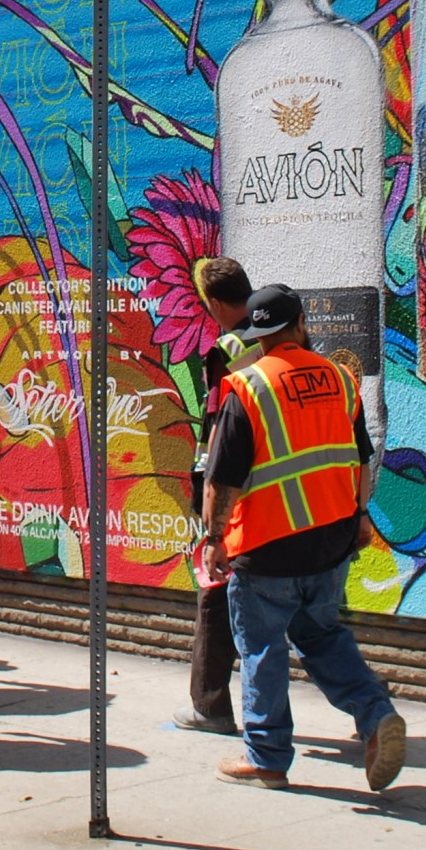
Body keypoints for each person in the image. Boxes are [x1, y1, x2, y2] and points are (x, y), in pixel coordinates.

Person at [200, 284, 408, 792]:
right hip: (331, 540)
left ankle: (267, 758)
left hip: (268, 547)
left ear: (257, 335)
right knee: (320, 635)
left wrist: (214, 537)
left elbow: (222, 478)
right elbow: (361, 456)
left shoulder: (246, 387)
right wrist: (360, 517)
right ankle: (375, 712)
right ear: (299, 326)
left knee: (262, 649)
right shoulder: (340, 377)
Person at [175, 257, 256, 735]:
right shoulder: (286, 340)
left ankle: (209, 704)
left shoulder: (226, 349)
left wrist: (207, 504)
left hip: (234, 491)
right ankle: (364, 707)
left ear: (213, 303)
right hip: (285, 497)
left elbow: (218, 431)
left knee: (215, 591)